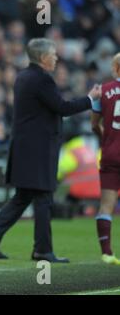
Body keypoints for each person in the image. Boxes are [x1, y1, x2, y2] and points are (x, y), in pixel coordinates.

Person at [0, 38, 102, 263]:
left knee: (23, 196)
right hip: (38, 150)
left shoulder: (23, 77)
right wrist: (90, 98)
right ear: (43, 58)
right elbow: (62, 107)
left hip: (24, 148)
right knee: (43, 197)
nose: (56, 58)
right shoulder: (42, 79)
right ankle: (42, 250)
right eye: (53, 54)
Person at [90, 52, 120, 265]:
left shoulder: (104, 91)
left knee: (106, 205)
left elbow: (94, 124)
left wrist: (105, 138)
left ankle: (107, 253)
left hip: (110, 154)